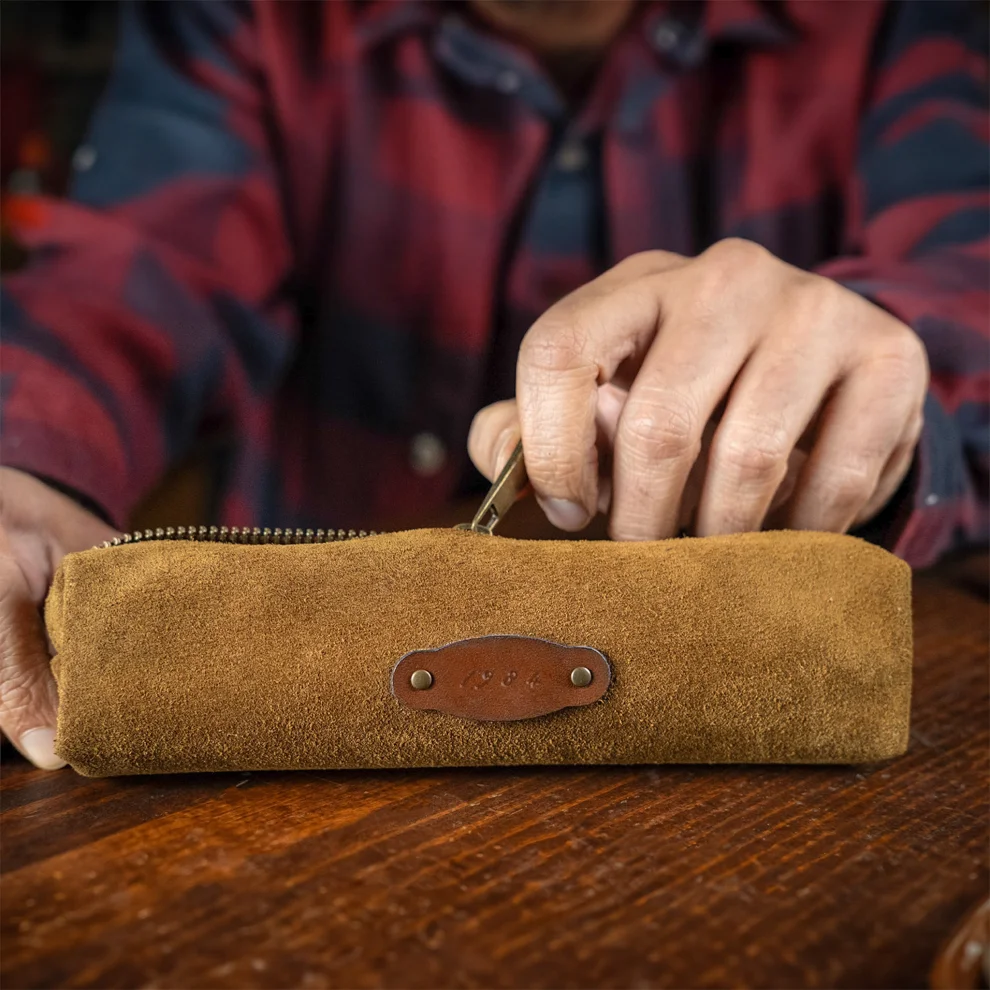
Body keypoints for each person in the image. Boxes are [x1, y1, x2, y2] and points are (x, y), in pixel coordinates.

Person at [1, 0, 986, 769]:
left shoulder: (893, 22)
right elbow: (132, 270)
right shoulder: (247, 18)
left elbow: (966, 283)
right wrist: (23, 456)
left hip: (762, 727)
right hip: (278, 724)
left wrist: (882, 386)